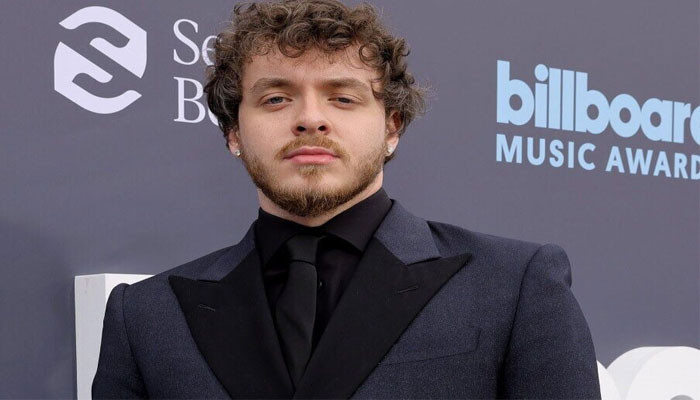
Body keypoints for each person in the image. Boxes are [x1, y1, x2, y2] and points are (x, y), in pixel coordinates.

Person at [92, 0, 601, 398]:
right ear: (233, 133)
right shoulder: (146, 316)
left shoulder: (513, 285)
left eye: (342, 97)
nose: (310, 119)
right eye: (276, 98)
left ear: (392, 127)